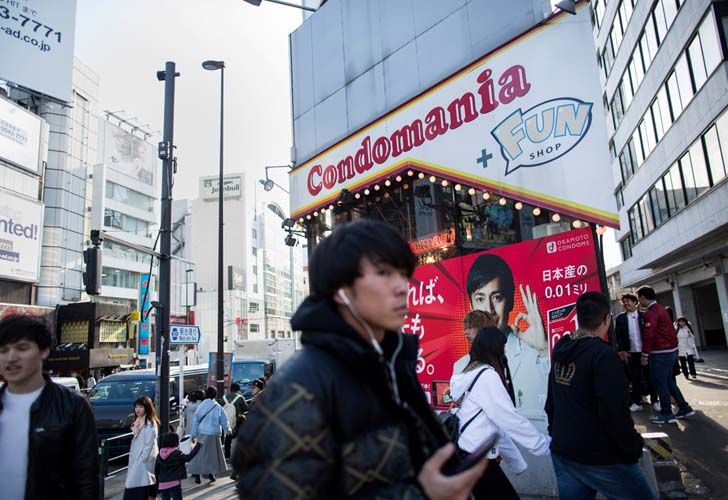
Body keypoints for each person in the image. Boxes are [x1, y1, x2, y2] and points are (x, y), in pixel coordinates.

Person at [233, 219, 487, 499]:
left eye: (403, 274)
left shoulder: (390, 364)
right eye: (383, 272)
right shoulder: (300, 387)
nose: (402, 286)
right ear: (341, 289)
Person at [546, 292, 657, 500]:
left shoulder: (561, 348)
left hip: (564, 449)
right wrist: (631, 448)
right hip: (601, 456)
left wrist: (556, 433)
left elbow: (551, 401)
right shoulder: (602, 355)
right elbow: (614, 412)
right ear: (607, 319)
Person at [0, 314, 98, 500]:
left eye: (22, 348)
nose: (11, 357)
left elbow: (86, 479)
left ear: (44, 350)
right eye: (3, 350)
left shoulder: (73, 407)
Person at [451, 327, 550, 499]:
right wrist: (543, 445)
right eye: (502, 346)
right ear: (493, 347)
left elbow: (496, 425)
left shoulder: (467, 372)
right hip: (477, 458)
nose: (505, 350)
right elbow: (508, 419)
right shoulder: (487, 376)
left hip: (467, 454)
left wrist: (517, 464)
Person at [466, 253, 548, 418]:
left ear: (510, 301)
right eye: (480, 299)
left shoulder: (537, 356)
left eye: (496, 297)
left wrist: (544, 350)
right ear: (471, 305)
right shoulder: (461, 368)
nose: (489, 310)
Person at [637, 286, 695, 424]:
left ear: (644, 297)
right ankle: (684, 407)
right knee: (668, 381)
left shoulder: (650, 313)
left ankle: (667, 413)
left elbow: (649, 335)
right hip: (671, 351)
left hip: (660, 353)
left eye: (639, 298)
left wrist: (645, 355)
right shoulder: (661, 310)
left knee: (660, 383)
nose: (639, 301)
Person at [614, 293, 658, 412]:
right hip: (631, 353)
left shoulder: (644, 316)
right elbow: (618, 336)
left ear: (635, 302)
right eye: (624, 302)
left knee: (650, 377)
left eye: (629, 301)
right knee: (635, 378)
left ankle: (655, 401)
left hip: (646, 352)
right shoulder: (620, 318)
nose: (626, 303)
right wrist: (622, 350)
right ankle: (637, 402)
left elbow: (651, 334)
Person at [188, 386, 230, 484]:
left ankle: (197, 475)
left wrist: (193, 435)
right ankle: (211, 474)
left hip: (202, 433)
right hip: (214, 434)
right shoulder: (217, 406)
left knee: (199, 454)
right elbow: (224, 420)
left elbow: (196, 421)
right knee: (212, 456)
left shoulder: (201, 406)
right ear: (215, 395)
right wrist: (228, 430)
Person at [124, 395, 159, 500]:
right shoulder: (138, 421)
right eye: (136, 407)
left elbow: (149, 444)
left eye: (141, 407)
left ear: (147, 408)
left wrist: (142, 458)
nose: (137, 410)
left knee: (139, 485)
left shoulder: (150, 424)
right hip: (138, 459)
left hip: (143, 459)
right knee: (138, 484)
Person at [155, 432, 203, 500]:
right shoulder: (176, 453)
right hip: (174, 484)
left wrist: (158, 481)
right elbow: (188, 458)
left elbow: (156, 470)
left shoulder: (159, 454)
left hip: (162, 485)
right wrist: (198, 445)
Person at [218, 382, 248, 459]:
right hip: (238, 422)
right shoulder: (240, 397)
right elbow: (246, 408)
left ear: (230, 389)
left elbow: (220, 407)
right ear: (238, 389)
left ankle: (227, 455)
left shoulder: (224, 397)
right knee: (238, 439)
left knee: (228, 438)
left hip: (226, 421)